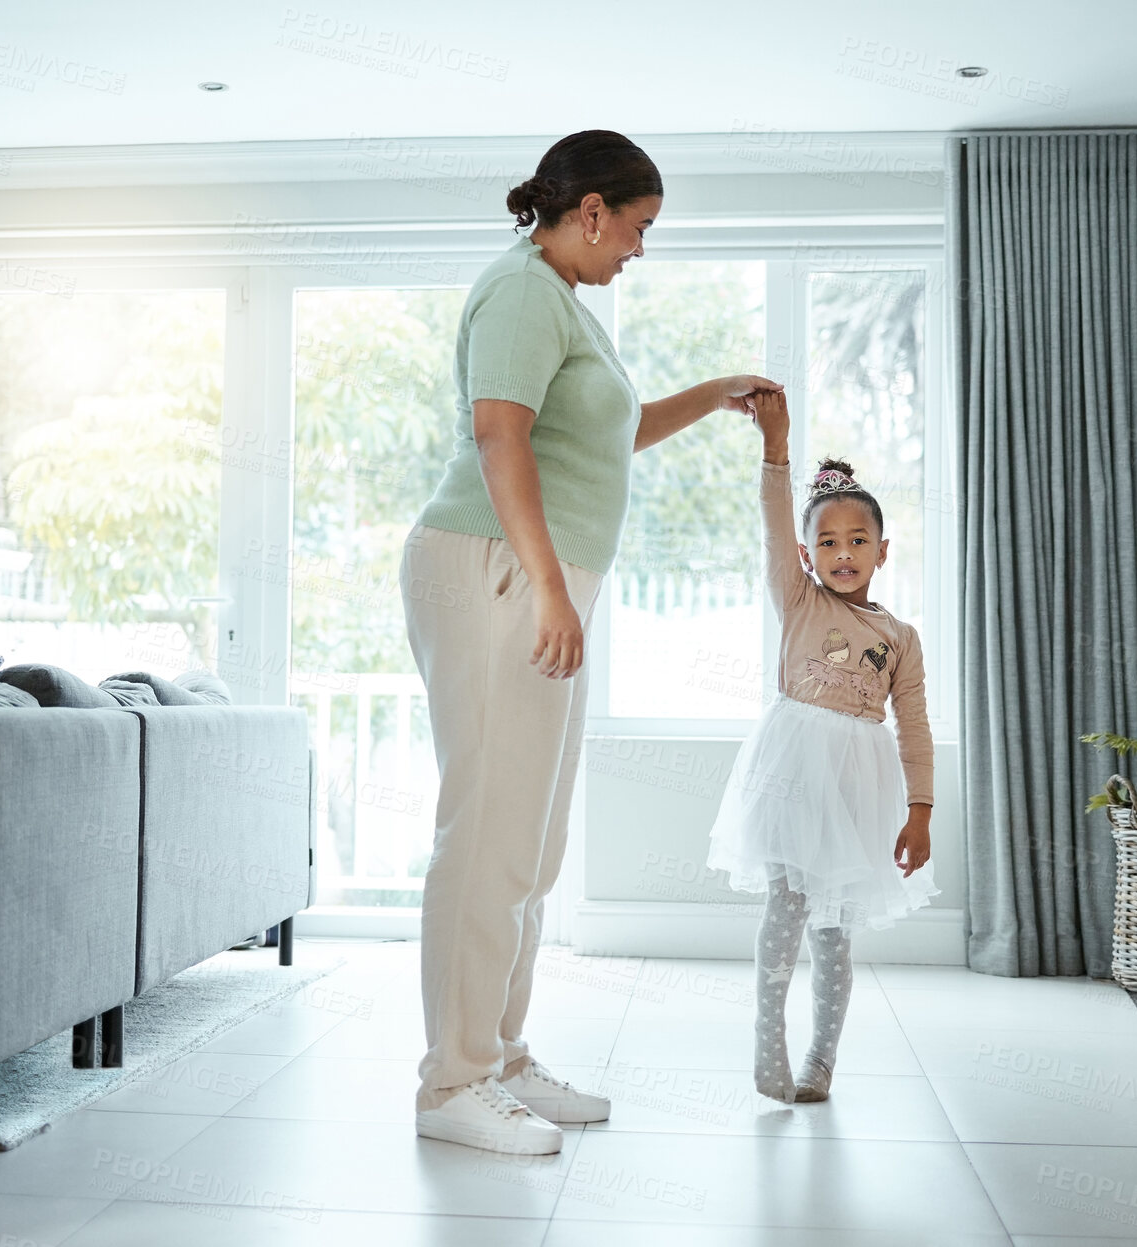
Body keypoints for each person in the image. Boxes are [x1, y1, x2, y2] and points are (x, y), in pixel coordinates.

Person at [401, 128, 780, 1155]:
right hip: (491, 565)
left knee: (531, 838)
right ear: (592, 210)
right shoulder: (520, 290)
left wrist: (712, 394)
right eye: (638, 229)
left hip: (530, 572)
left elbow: (607, 433)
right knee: (486, 833)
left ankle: (501, 1054)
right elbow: (497, 433)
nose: (638, 253)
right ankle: (454, 1081)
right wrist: (548, 587)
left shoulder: (562, 304)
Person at [707, 388, 937, 1103]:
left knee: (835, 930)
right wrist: (775, 450)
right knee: (787, 906)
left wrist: (921, 809)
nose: (843, 553)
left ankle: (821, 1062)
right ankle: (766, 1034)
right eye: (828, 542)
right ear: (808, 554)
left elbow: (916, 726)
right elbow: (775, 521)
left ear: (883, 550)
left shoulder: (900, 637)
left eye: (857, 540)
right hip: (793, 773)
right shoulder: (799, 598)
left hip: (859, 789)